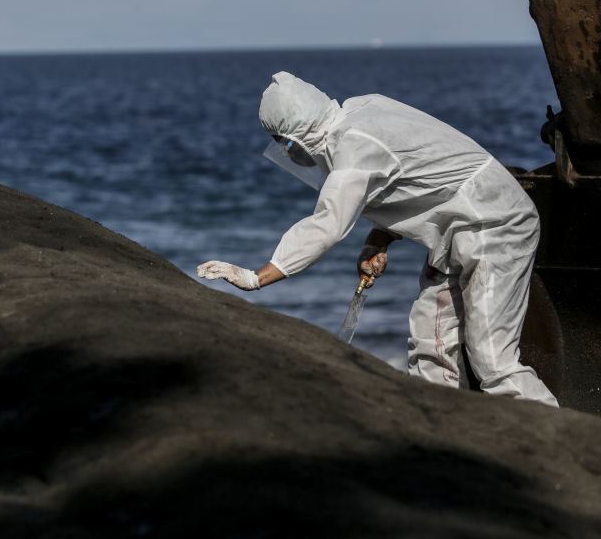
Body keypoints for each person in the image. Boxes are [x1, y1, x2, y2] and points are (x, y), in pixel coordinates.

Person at [197, 71, 558, 407]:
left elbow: (327, 225)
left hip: (496, 224)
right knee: (429, 343)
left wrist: (256, 277)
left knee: (493, 359)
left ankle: (564, 446)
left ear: (297, 133)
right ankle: (444, 433)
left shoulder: (353, 149)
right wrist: (377, 242)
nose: (289, 153)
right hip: (461, 228)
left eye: (283, 142)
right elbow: (414, 183)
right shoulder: (363, 108)